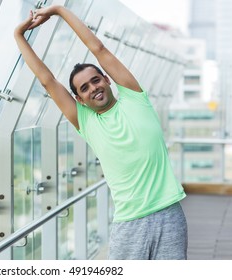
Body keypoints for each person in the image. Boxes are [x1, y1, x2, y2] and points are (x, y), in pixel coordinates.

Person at [14, 5, 187, 260]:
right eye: (84, 88)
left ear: (107, 79)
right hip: (129, 224)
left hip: (169, 215)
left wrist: (60, 10)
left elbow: (99, 48)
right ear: (80, 99)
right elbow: (47, 80)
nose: (93, 88)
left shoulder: (134, 97)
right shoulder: (87, 122)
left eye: (96, 80)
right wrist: (19, 35)